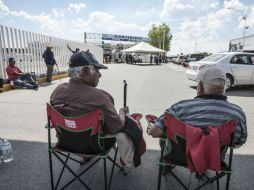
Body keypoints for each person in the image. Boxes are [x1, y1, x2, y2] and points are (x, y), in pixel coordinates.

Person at [50, 51, 136, 170]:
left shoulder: (57, 91)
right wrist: (122, 113)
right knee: (129, 125)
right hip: (96, 147)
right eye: (97, 70)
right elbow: (116, 127)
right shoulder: (100, 97)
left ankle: (86, 156)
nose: (100, 75)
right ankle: (126, 160)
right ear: (85, 72)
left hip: (65, 143)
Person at [150, 65, 247, 147]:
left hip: (180, 157)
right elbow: (240, 141)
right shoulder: (237, 113)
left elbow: (154, 132)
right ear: (224, 87)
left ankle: (167, 166)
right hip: (215, 159)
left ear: (200, 86)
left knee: (165, 137)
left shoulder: (180, 107)